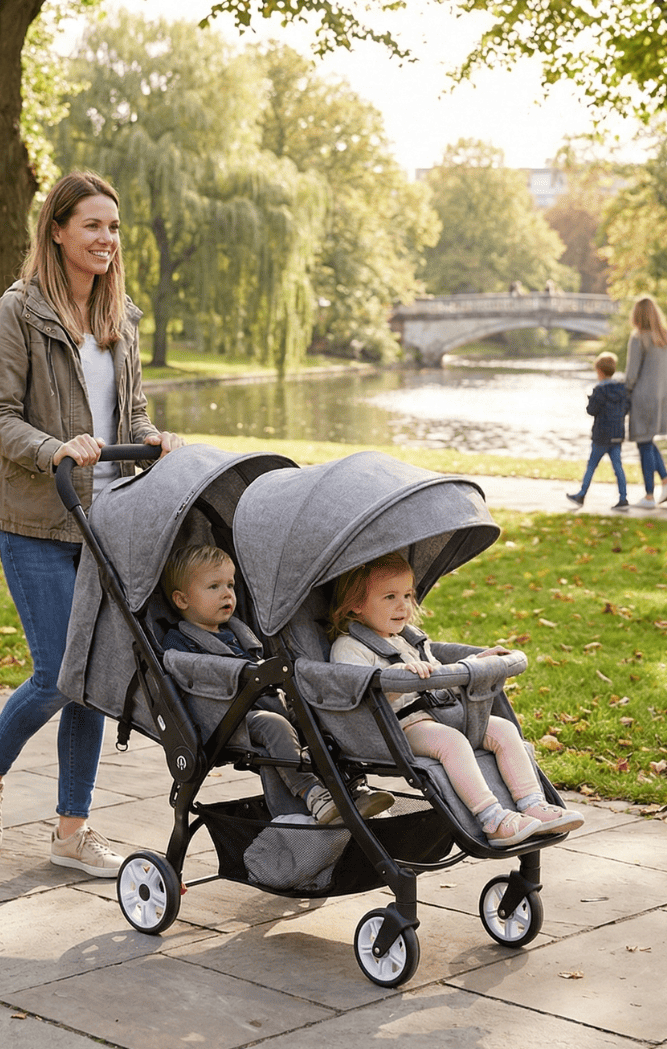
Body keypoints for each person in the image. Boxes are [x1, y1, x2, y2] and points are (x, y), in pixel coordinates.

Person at [0, 170, 183, 876]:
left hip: (109, 520)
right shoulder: (19, 311)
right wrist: (53, 447)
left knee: (94, 677)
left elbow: (131, 411)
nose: (106, 240)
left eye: (114, 228)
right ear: (56, 231)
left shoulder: (125, 319)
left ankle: (70, 831)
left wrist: (154, 437)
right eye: (92, 225)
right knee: (60, 674)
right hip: (38, 521)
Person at [328, 553, 583, 848]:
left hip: (442, 711)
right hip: (401, 727)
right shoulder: (349, 646)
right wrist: (397, 675)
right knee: (453, 743)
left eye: (408, 595)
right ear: (356, 605)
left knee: (502, 729)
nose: (403, 605)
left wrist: (475, 662)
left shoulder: (407, 639)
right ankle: (492, 818)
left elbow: (438, 672)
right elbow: (353, 691)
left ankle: (532, 803)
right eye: (390, 597)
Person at [161, 544, 394, 825]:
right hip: (226, 719)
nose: (227, 593)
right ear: (182, 600)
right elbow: (185, 673)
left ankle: (353, 784)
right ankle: (312, 794)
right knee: (275, 725)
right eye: (213, 587)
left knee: (320, 714)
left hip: (266, 700)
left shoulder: (238, 632)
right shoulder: (180, 642)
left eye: (230, 585)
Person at [625, 296, 667, 509]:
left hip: (644, 396)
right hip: (666, 396)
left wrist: (624, 392)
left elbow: (631, 374)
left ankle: (649, 496)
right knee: (647, 441)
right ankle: (666, 480)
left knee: (644, 442)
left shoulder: (638, 338)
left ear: (637, 316)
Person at [566, 351, 629, 510]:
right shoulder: (622, 389)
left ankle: (581, 494)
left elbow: (591, 410)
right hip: (617, 433)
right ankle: (623, 498)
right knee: (618, 466)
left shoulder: (599, 390)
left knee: (592, 465)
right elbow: (626, 408)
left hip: (601, 435)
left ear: (599, 371)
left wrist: (590, 399)